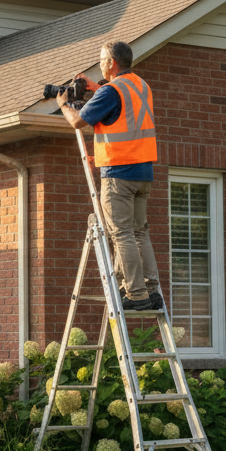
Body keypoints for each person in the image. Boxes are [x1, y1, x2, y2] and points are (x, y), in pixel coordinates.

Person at [57, 40, 162, 311]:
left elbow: (78, 121)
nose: (100, 63)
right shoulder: (140, 85)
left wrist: (64, 103)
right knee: (140, 232)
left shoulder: (112, 91)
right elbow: (119, 109)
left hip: (119, 172)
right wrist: (95, 87)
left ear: (112, 63)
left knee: (122, 234)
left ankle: (136, 295)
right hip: (143, 171)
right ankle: (151, 290)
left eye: (102, 59)